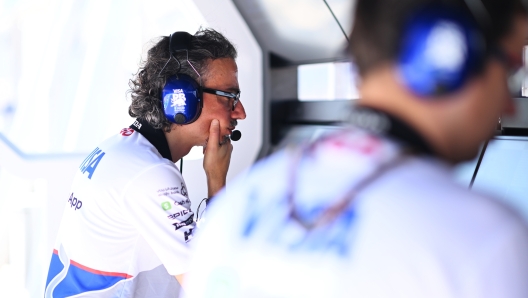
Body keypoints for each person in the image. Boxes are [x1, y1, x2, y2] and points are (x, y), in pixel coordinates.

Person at [181, 1, 528, 297]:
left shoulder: (236, 207)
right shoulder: (481, 236)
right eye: (511, 68)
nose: (509, 106)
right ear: (448, 58)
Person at [44, 28, 246, 297]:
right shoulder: (151, 174)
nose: (240, 113)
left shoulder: (122, 148)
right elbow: (211, 286)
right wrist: (216, 180)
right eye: (228, 97)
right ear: (182, 97)